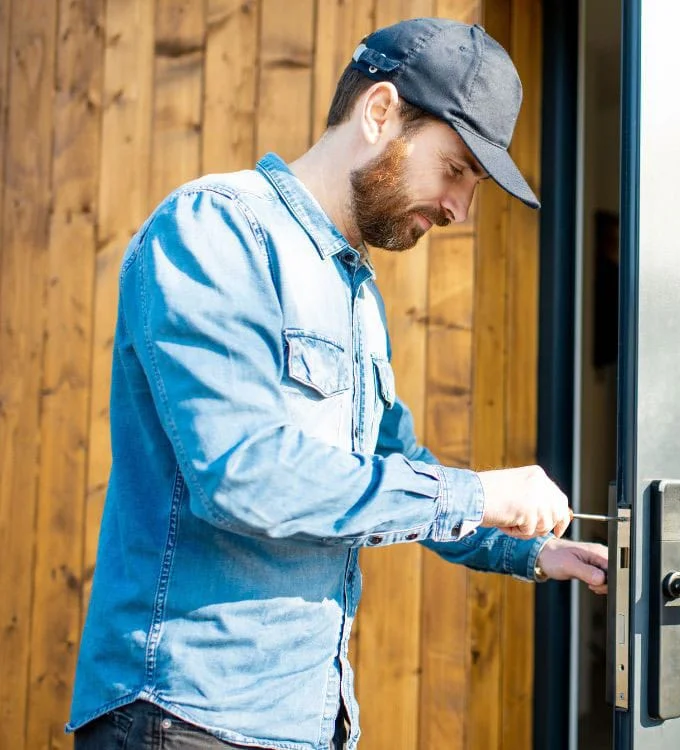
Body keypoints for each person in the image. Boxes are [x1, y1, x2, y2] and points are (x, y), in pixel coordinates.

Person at [68, 18, 607, 750]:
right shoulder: (215, 229)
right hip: (185, 718)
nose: (460, 209)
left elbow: (394, 470)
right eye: (455, 170)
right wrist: (479, 494)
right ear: (380, 112)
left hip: (309, 722)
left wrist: (527, 550)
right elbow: (244, 474)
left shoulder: (356, 293)